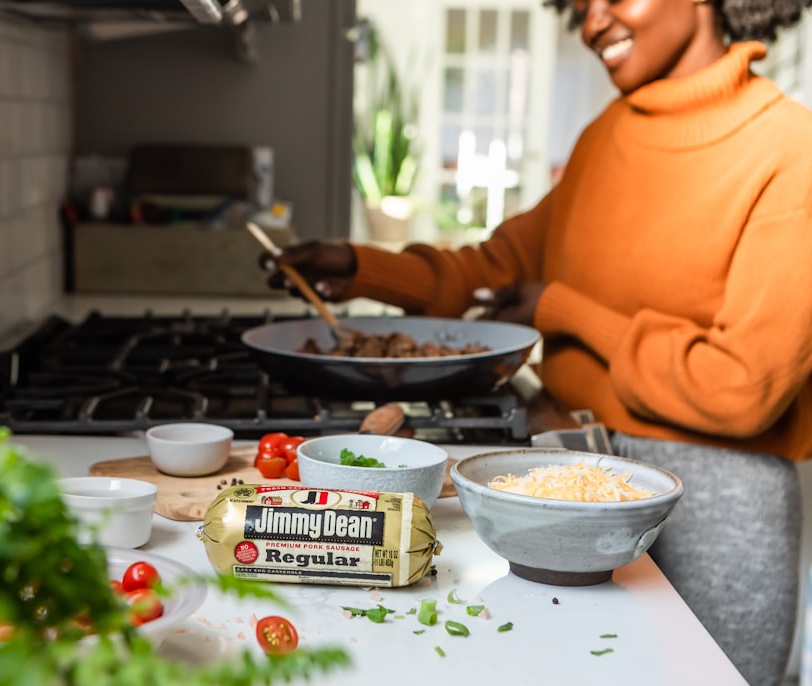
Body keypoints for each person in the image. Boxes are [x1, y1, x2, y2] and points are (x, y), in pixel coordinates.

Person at [259, 2, 812, 684]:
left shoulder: (792, 149)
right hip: (569, 467)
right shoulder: (604, 138)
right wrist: (357, 265)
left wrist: (566, 310)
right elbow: (493, 267)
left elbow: (743, 389)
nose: (592, 22)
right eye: (580, 7)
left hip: (720, 500)